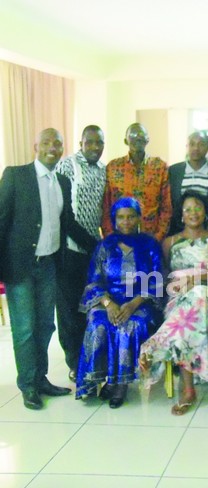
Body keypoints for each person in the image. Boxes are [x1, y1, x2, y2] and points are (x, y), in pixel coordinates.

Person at [0, 128, 97, 410]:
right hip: (21, 267)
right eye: (46, 142)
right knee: (25, 329)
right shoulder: (16, 176)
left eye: (58, 143)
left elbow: (67, 223)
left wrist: (100, 245)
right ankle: (28, 385)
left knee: (45, 326)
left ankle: (41, 378)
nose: (52, 148)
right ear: (35, 145)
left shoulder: (62, 182)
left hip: (50, 266)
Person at [140, 192, 208, 414]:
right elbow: (163, 276)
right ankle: (187, 389)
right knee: (188, 314)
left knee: (199, 294)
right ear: (181, 216)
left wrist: (196, 280)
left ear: (206, 213)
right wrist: (178, 285)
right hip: (178, 299)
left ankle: (159, 347)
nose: (193, 213)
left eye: (198, 208)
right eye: (188, 209)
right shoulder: (169, 242)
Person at [76, 197, 164, 408]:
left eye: (131, 217)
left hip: (140, 302)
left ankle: (121, 384)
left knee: (129, 326)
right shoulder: (105, 245)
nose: (126, 222)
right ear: (114, 219)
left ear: (138, 218)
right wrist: (109, 304)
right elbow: (94, 280)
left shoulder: (149, 244)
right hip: (107, 301)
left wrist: (133, 304)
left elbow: (156, 279)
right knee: (98, 325)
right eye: (121, 217)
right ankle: (101, 379)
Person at [55, 125, 107, 381]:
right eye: (91, 142)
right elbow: (63, 215)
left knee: (90, 307)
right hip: (70, 249)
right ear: (81, 142)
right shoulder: (66, 166)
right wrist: (91, 243)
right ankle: (75, 365)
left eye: (100, 143)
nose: (95, 147)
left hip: (92, 250)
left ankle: (91, 360)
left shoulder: (103, 170)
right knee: (69, 312)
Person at [102, 123, 172, 241]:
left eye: (141, 135)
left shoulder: (159, 167)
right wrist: (110, 238)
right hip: (119, 239)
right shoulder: (113, 167)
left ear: (147, 140)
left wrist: (157, 238)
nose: (138, 138)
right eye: (133, 135)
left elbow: (166, 207)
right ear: (125, 141)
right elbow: (106, 207)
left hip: (150, 238)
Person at [168, 131, 208, 235]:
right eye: (192, 144)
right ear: (187, 146)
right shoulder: (173, 171)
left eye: (201, 144)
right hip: (178, 230)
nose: (196, 148)